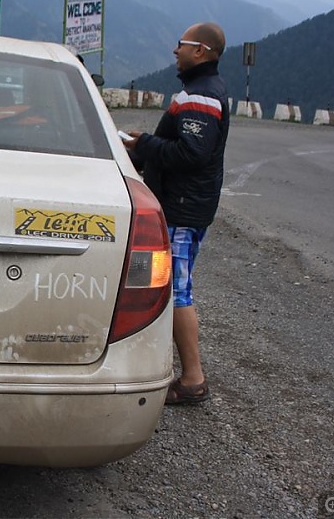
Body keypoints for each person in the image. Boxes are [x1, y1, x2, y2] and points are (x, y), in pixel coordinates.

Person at [122, 22, 229, 405]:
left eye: (181, 45)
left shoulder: (202, 97)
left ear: (200, 51)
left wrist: (146, 144)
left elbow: (191, 154)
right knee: (163, 286)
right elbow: (180, 146)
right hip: (184, 205)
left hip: (182, 210)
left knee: (177, 290)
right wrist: (143, 149)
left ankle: (192, 380)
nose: (175, 51)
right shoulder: (198, 92)